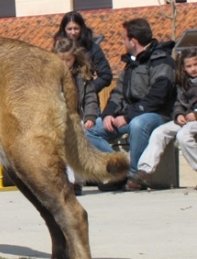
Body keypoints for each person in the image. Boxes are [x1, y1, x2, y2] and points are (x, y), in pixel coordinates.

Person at [85, 18, 176, 191]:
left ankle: (135, 175)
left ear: (133, 41)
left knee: (138, 124)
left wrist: (128, 116)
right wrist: (108, 114)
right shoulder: (131, 64)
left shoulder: (162, 60)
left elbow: (158, 96)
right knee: (89, 130)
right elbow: (118, 93)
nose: (122, 41)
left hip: (157, 115)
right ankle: (121, 171)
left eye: (124, 38)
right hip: (129, 114)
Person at [133, 48, 197, 190]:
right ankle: (145, 172)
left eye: (196, 64)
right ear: (183, 67)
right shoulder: (183, 82)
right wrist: (179, 114)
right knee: (159, 132)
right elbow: (178, 104)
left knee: (183, 136)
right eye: (189, 66)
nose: (193, 69)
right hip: (187, 119)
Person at [53, 37, 99, 195]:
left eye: (68, 60)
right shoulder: (51, 76)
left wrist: (90, 117)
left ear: (75, 58)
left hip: (78, 118)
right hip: (58, 119)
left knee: (76, 144)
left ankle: (76, 182)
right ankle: (66, 181)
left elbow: (90, 98)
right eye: (61, 60)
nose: (65, 63)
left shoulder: (83, 76)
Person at [53, 10, 113, 94]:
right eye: (69, 29)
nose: (73, 32)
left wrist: (88, 90)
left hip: (88, 102)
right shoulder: (57, 50)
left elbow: (106, 76)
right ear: (64, 30)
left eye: (76, 28)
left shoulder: (93, 48)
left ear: (81, 28)